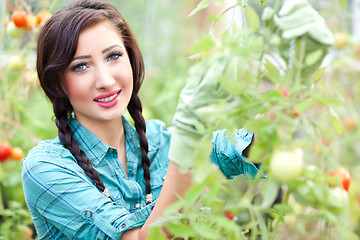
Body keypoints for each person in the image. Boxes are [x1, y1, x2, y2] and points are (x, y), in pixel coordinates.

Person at [21, 0, 333, 239]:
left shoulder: (159, 141)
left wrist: (296, 80)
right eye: (80, 66)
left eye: (114, 56)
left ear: (131, 59)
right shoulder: (47, 167)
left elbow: (247, 147)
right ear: (58, 82)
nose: (105, 80)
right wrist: (188, 140)